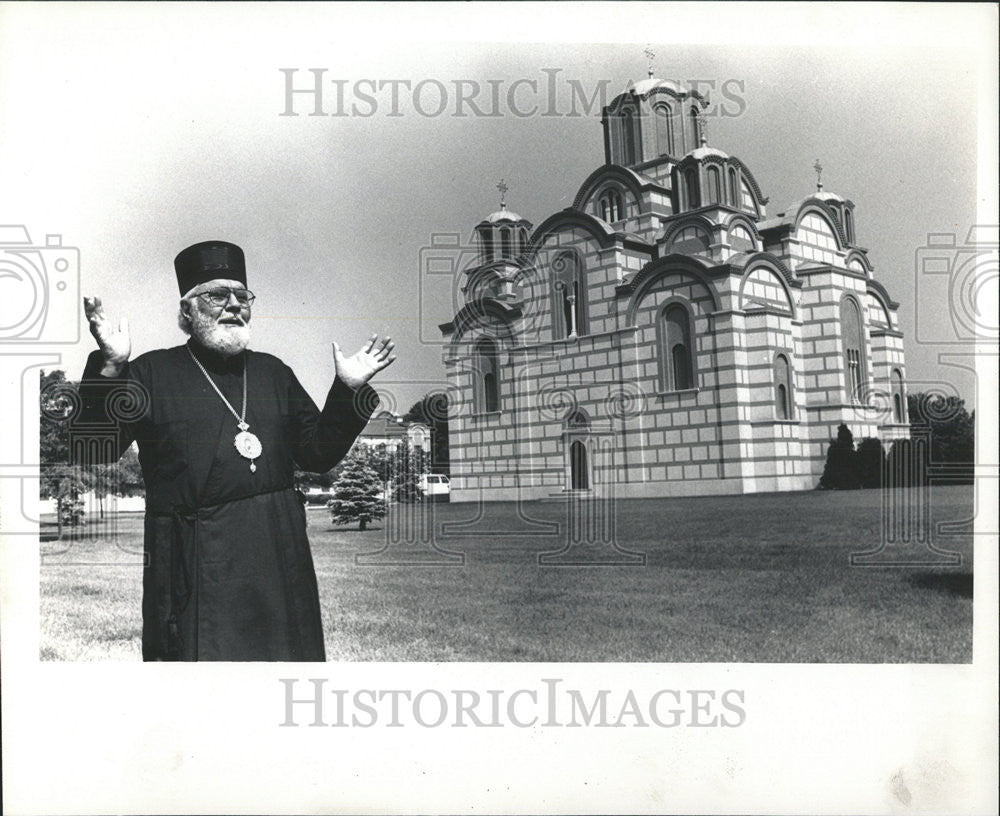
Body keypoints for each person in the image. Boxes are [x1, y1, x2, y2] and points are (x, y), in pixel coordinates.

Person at [70, 240, 395, 661]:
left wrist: (348, 390)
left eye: (242, 296)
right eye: (217, 295)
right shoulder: (150, 373)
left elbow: (317, 454)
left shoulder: (273, 372)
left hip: (278, 556)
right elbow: (92, 449)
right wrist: (111, 367)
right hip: (195, 564)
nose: (233, 305)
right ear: (186, 311)